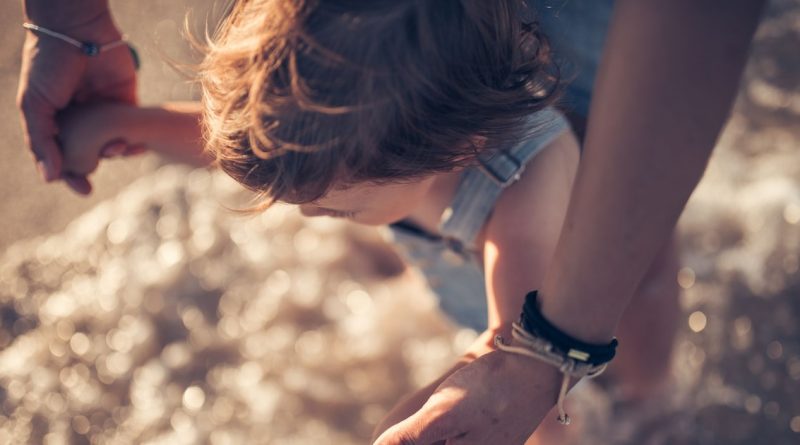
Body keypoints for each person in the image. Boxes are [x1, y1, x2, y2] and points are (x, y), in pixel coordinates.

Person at [19, 0, 766, 443]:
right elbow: (274, 160)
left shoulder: (523, 201)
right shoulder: (372, 138)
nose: (306, 211)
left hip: (589, 252)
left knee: (639, 297)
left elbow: (524, 365)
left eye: (333, 204)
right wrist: (131, 122)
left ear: (451, 153)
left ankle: (656, 400)